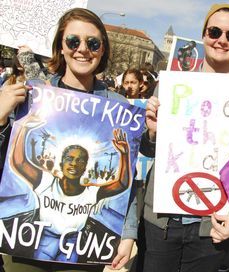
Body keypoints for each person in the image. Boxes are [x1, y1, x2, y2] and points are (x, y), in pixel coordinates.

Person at [0, 8, 136, 271]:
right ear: (61, 47)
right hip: (25, 250)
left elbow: (125, 187)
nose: (82, 49)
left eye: (92, 42)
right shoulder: (32, 98)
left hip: (82, 254)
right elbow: (15, 162)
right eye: (73, 41)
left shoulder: (119, 108)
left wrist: (128, 233)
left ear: (103, 49)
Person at [138, 3, 229, 272]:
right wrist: (152, 133)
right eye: (215, 32)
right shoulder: (170, 85)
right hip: (161, 220)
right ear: (203, 35)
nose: (222, 40)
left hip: (213, 227)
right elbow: (147, 150)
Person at [9, 115, 131, 262]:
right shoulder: (46, 182)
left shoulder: (91, 192)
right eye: (69, 159)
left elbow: (122, 184)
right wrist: (25, 129)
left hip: (73, 243)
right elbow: (20, 162)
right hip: (44, 238)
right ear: (61, 164)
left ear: (85, 167)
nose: (74, 163)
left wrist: (124, 154)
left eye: (80, 160)